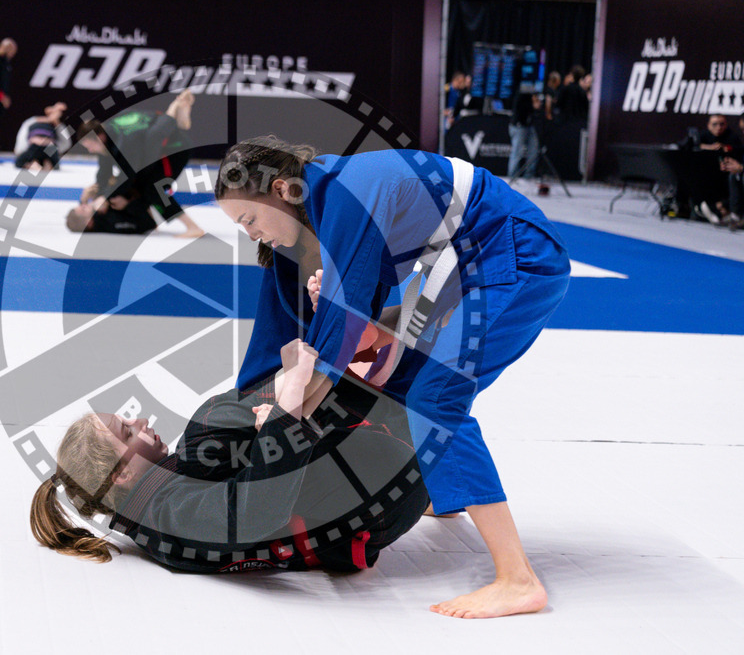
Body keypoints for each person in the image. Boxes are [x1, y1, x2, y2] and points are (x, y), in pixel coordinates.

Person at [214, 136, 570, 619]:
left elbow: (343, 325)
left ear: (281, 189)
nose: (250, 234)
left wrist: (283, 416)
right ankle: (446, 496)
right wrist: (247, 407)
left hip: (514, 256)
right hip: (462, 265)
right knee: (400, 389)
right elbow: (298, 323)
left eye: (249, 220)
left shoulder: (345, 192)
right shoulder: (320, 206)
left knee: (435, 399)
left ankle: (517, 579)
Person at [31, 338, 430, 572]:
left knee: (214, 426)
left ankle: (334, 360)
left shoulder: (159, 502)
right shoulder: (168, 516)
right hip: (379, 504)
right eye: (126, 431)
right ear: (120, 474)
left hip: (370, 493)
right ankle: (331, 362)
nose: (140, 422)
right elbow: (253, 513)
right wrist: (286, 403)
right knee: (211, 424)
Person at [67, 90, 204, 238]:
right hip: (155, 129)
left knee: (153, 188)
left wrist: (106, 197)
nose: (90, 150)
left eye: (89, 146)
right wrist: (98, 191)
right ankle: (175, 116)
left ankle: (193, 228)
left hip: (175, 148)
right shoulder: (107, 138)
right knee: (136, 183)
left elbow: (130, 174)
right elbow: (104, 173)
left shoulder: (123, 144)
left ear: (99, 137)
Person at [13, 101, 67, 172]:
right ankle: (34, 164)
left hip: (48, 148)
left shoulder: (57, 126)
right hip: (36, 147)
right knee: (19, 162)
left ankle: (42, 164)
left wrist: (56, 121)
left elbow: (66, 142)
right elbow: (23, 133)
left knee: (55, 165)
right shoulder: (33, 122)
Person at [508, 92, 541, 178]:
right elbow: (520, 108)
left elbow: (536, 109)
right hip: (519, 126)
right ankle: (512, 176)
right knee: (517, 152)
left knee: (534, 151)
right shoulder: (522, 92)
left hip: (529, 126)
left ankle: (529, 175)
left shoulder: (534, 93)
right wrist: (533, 105)